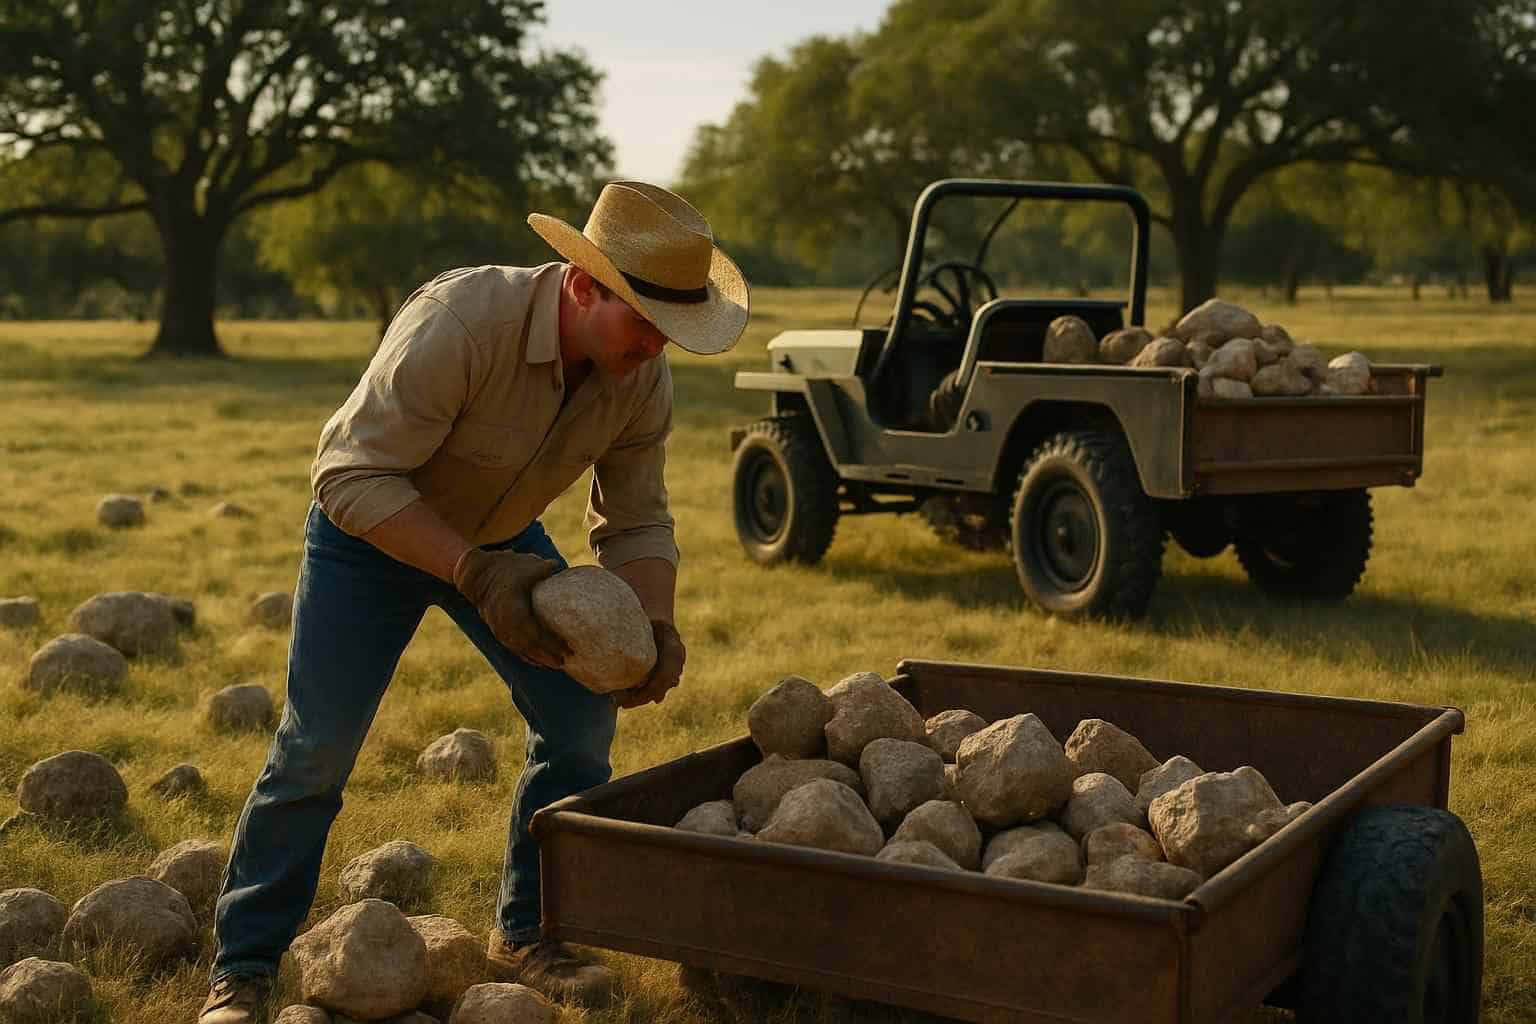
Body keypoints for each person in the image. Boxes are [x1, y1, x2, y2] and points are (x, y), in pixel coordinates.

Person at [198, 181, 749, 1024]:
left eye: (672, 330)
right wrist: (473, 572)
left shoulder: (642, 376)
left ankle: (528, 934)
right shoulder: (461, 322)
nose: (656, 347)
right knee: (317, 750)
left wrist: (654, 622)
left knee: (578, 726)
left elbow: (636, 517)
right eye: (642, 320)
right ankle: (242, 969)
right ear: (580, 285)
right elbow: (348, 476)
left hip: (505, 543)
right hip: (374, 536)